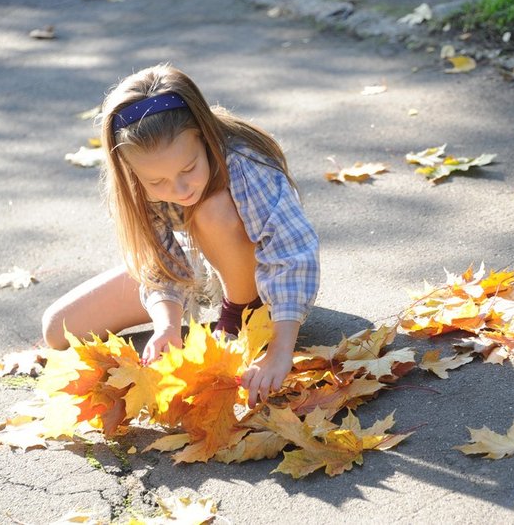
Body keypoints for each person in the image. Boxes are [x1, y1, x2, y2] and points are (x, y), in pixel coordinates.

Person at [42, 64, 320, 408]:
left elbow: (292, 252)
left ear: (204, 137)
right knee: (57, 329)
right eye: (157, 182)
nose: (179, 188)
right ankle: (212, 311)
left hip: (254, 272)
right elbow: (158, 262)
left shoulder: (244, 161)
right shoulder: (135, 185)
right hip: (195, 266)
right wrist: (167, 327)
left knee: (211, 208)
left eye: (188, 169)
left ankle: (241, 312)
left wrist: (280, 349)